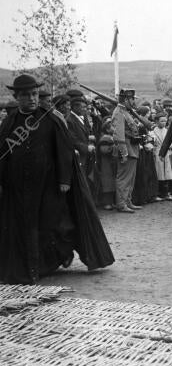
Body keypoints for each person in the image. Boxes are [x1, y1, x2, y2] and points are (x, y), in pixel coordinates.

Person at [0, 74, 113, 284]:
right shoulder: (10, 121)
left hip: (48, 185)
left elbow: (64, 151)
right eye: (26, 95)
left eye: (34, 94)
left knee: (52, 224)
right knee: (24, 226)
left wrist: (64, 180)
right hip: (18, 187)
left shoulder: (50, 118)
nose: (32, 99)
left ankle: (59, 255)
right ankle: (34, 267)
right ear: (17, 96)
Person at [112, 89, 143, 213]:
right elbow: (118, 135)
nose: (134, 101)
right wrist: (124, 152)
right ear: (126, 100)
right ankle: (121, 203)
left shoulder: (126, 111)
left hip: (132, 149)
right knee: (123, 178)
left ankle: (127, 200)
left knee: (131, 178)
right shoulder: (119, 112)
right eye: (132, 99)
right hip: (126, 149)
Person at [151, 113, 172, 201]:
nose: (164, 123)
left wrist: (171, 145)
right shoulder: (153, 132)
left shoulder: (167, 131)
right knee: (158, 173)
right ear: (156, 121)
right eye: (161, 121)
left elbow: (171, 141)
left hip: (167, 154)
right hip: (157, 153)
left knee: (167, 173)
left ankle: (166, 193)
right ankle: (157, 193)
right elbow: (151, 142)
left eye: (165, 121)